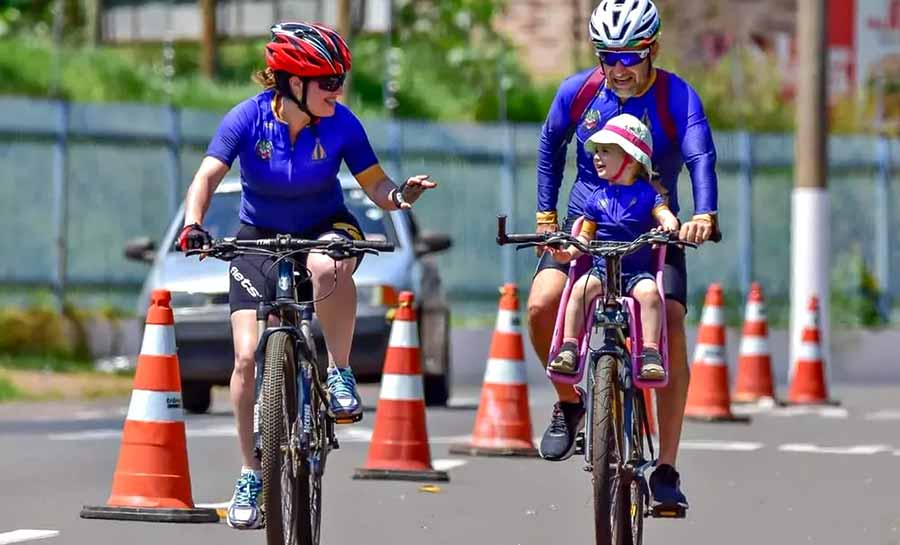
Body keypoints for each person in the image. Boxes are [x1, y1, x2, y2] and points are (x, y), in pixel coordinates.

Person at [176, 22, 436, 530]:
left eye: (340, 80)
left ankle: (338, 372)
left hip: (325, 226)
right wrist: (194, 225)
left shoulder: (341, 123)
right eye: (326, 81)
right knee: (247, 356)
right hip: (259, 234)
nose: (337, 90)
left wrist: (400, 196)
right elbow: (207, 176)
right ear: (291, 82)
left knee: (326, 262)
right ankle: (252, 471)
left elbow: (375, 183)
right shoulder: (247, 119)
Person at [530, 0, 719, 513]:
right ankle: (571, 405)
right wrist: (547, 219)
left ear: (653, 49)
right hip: (584, 227)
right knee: (542, 304)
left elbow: (701, 155)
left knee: (671, 321)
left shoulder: (677, 96)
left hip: (653, 231)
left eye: (630, 57)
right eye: (606, 56)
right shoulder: (579, 91)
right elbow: (550, 147)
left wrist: (705, 213)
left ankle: (667, 470)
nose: (617, 69)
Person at [548, 114, 678, 382]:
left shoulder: (648, 195)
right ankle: (570, 346)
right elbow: (584, 238)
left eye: (606, 151)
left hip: (636, 274)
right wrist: (568, 253)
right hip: (601, 270)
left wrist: (668, 225)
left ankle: (650, 354)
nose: (597, 156)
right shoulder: (595, 200)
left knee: (650, 293)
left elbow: (665, 215)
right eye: (596, 151)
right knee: (579, 290)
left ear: (631, 158)